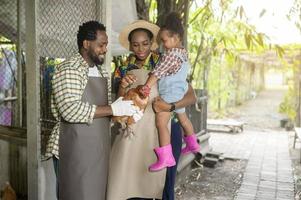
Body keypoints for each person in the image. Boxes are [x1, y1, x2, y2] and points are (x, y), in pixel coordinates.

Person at [44, 21, 141, 200]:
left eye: (106, 45)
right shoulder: (70, 69)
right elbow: (70, 110)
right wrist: (112, 108)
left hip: (98, 149)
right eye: (101, 44)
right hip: (72, 149)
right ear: (86, 44)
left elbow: (107, 112)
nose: (104, 49)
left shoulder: (102, 72)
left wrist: (125, 106)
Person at [107, 19, 197, 200]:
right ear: (131, 46)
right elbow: (119, 103)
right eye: (136, 45)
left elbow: (190, 96)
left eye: (145, 44)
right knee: (129, 183)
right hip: (133, 136)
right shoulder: (123, 67)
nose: (141, 49)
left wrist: (170, 106)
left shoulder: (166, 59)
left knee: (163, 185)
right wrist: (123, 86)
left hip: (166, 132)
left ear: (152, 43)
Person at [139, 12, 200, 172]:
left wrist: (146, 86)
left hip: (170, 94)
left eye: (165, 41)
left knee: (161, 123)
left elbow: (157, 72)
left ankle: (166, 157)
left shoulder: (170, 55)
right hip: (179, 90)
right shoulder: (183, 53)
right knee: (183, 119)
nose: (163, 44)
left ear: (176, 37)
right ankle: (193, 144)